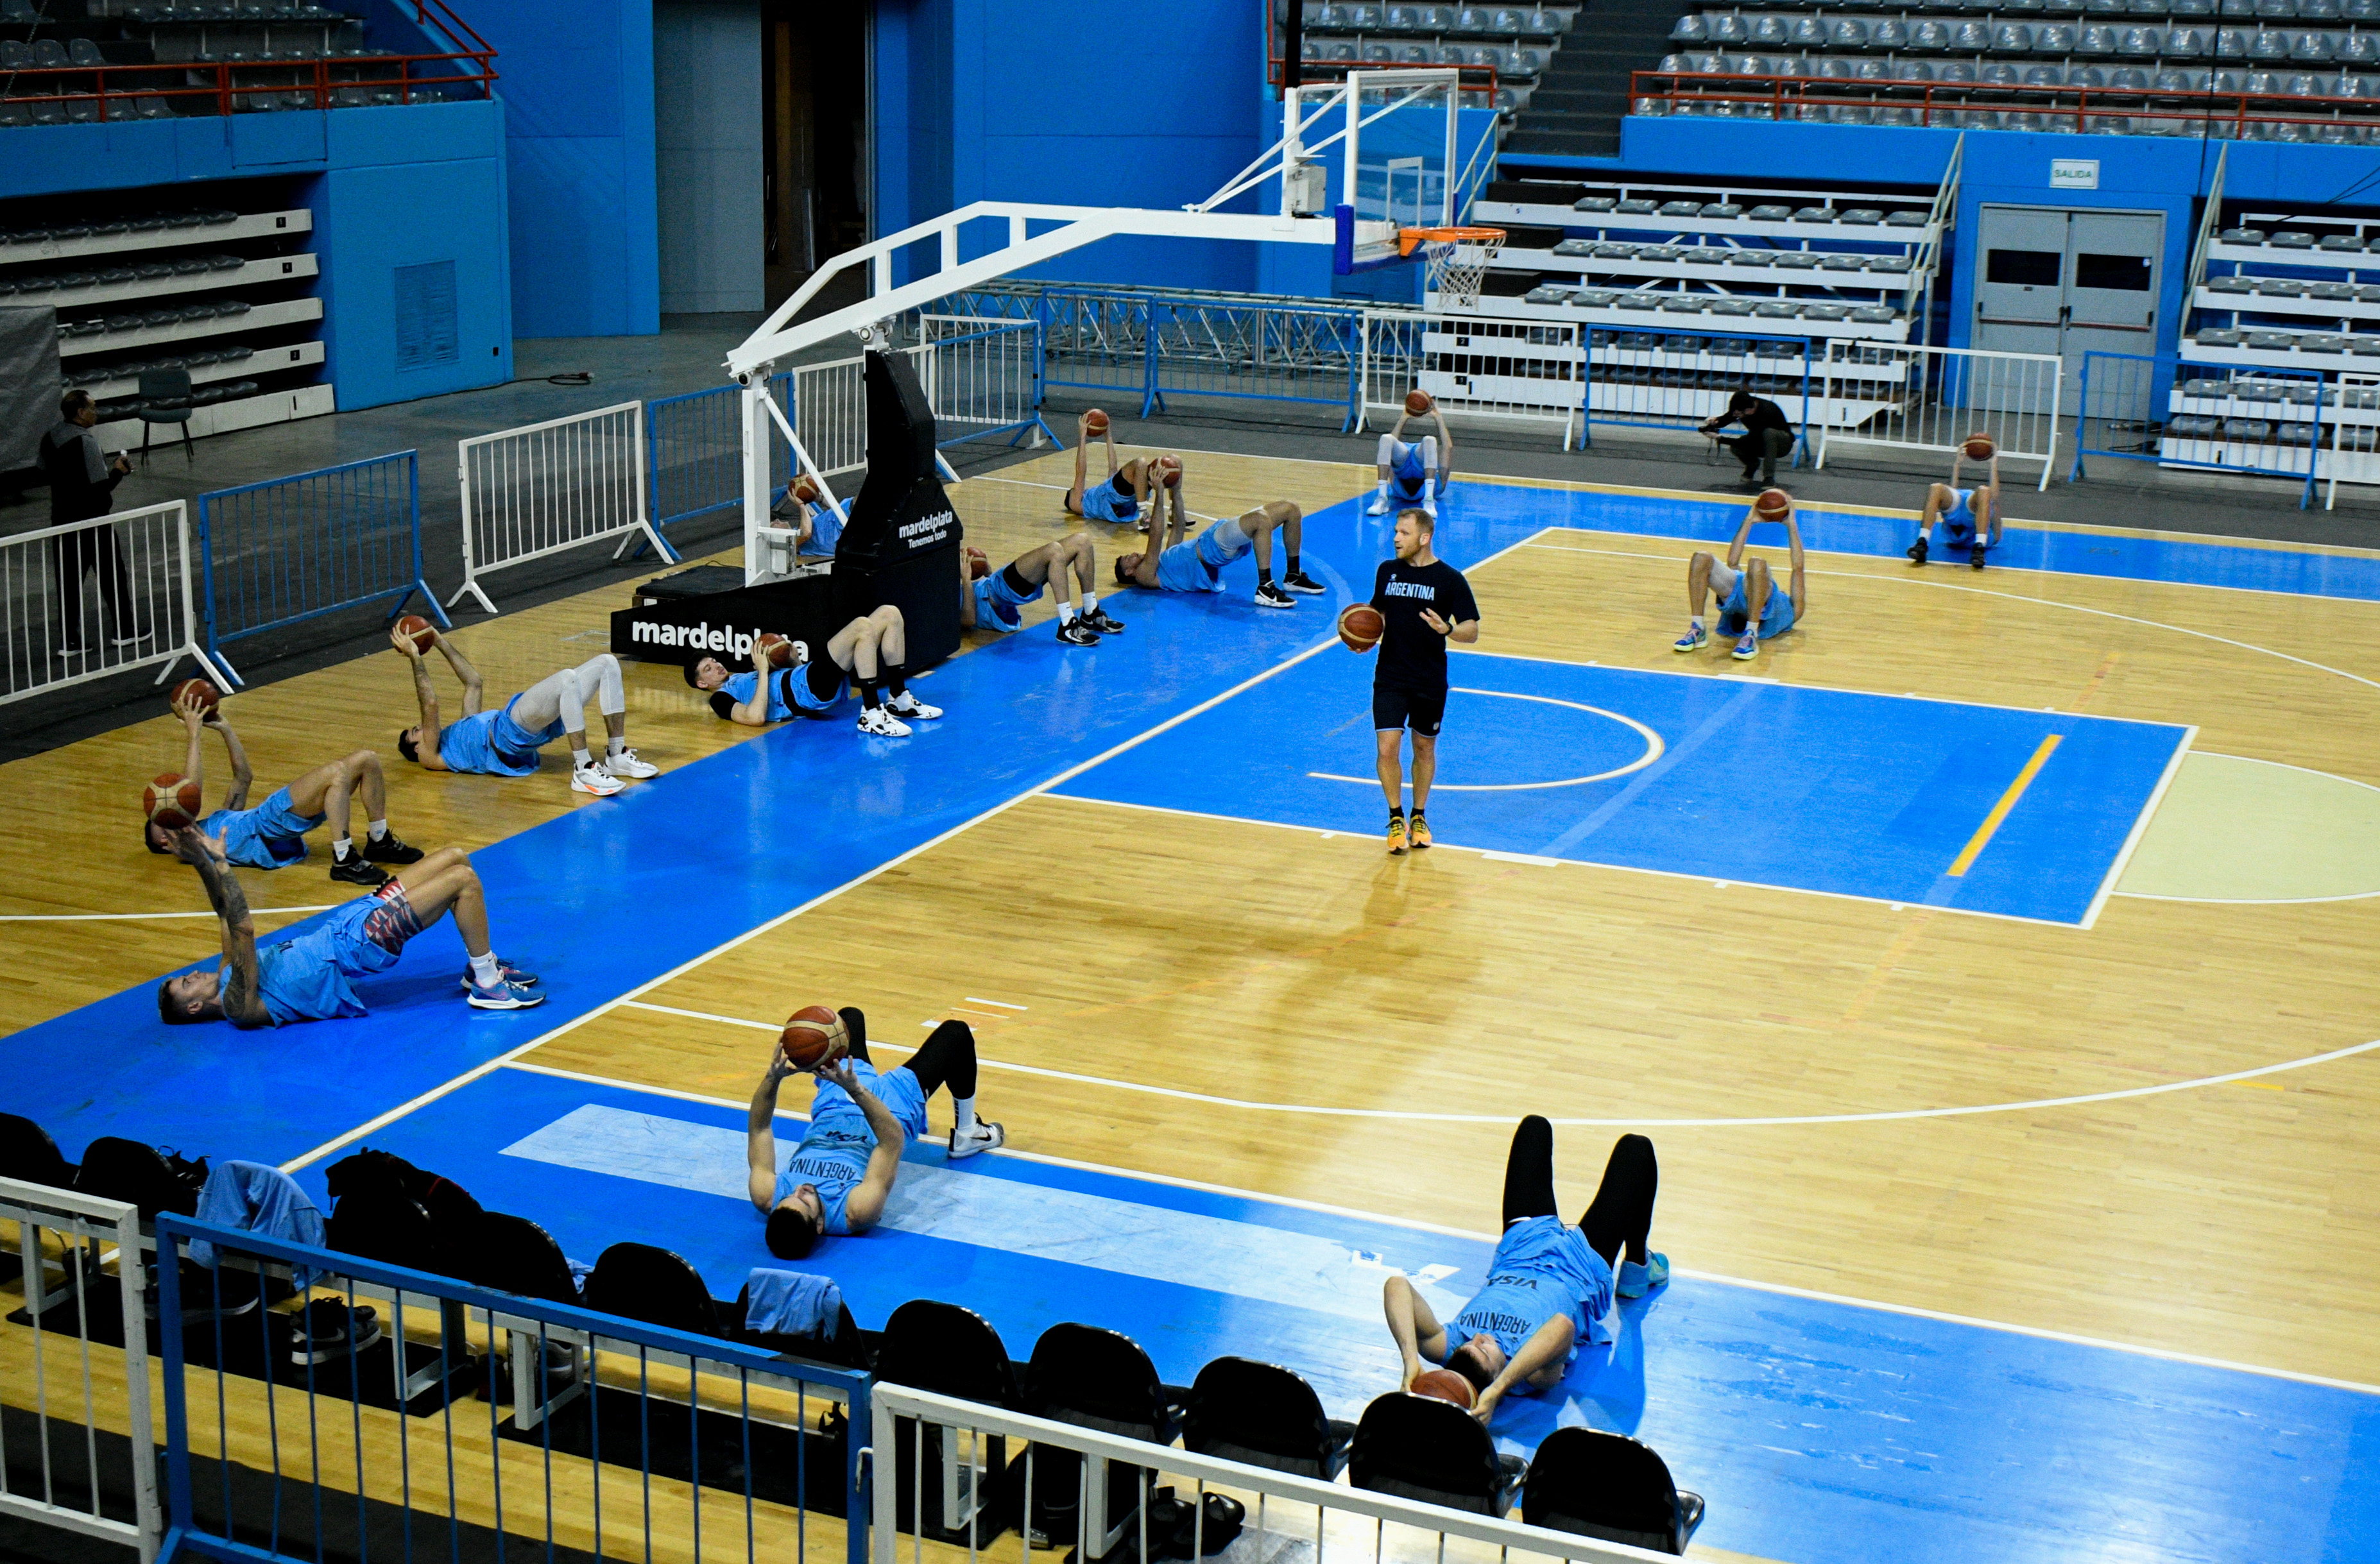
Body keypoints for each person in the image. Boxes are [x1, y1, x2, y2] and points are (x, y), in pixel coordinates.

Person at [1382, 1117, 1666, 1423]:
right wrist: (1500, 1388)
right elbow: (1563, 1325)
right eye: (1486, 1351)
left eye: (1471, 1344)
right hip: (1580, 1265)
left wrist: (1411, 1359)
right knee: (1636, 1150)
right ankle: (1638, 1265)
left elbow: (1396, 1286)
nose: (1480, 1337)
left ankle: (1638, 1264)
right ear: (1498, 1375)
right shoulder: (1533, 1375)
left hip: (1521, 1248)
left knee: (1534, 1128)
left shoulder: (1448, 1345)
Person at [154, 826, 543, 1024]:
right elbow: (243, 928)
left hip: (350, 921)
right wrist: (225, 865)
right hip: (359, 944)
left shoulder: (225, 972)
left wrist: (201, 858)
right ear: (193, 1007)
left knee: (455, 857)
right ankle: (488, 985)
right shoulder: (239, 1005)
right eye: (187, 983)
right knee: (463, 882)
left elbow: (224, 911)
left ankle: (478, 966)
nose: (195, 974)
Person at [744, 1012, 1006, 1258]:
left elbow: (760, 1128)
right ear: (821, 1224)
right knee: (956, 1034)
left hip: (834, 1105)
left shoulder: (767, 1195)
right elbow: (891, 1142)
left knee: (845, 1020)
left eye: (790, 1197)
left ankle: (853, 1069)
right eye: (807, 1200)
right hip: (889, 1110)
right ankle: (969, 1133)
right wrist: (857, 1091)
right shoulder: (856, 1210)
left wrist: (772, 1078)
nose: (800, 1189)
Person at [145, 685, 424, 886]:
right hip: (267, 822)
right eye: (164, 817)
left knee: (368, 760)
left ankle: (379, 841)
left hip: (270, 819)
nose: (169, 809)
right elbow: (190, 792)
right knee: (337, 772)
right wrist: (193, 734)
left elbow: (243, 778)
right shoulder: (189, 846)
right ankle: (344, 860)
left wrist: (225, 729)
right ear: (162, 840)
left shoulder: (219, 820)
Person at [390, 626, 658, 796]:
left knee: (607, 663)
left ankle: (616, 754)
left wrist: (438, 641)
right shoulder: (429, 755)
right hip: (507, 733)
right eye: (417, 732)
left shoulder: (463, 730)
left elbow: (473, 682)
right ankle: (583, 768)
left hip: (516, 730)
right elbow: (431, 705)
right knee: (566, 678)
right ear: (416, 748)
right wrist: (415, 657)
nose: (423, 728)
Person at [1366, 507, 1478, 856]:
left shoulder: (1450, 580)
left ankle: (1419, 815)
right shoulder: (1388, 571)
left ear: (1424, 538)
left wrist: (1447, 629)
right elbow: (1377, 617)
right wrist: (1363, 636)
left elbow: (1472, 630)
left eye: (1404, 533)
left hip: (1429, 678)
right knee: (1387, 748)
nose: (1396, 538)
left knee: (1424, 747)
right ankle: (1395, 816)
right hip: (1390, 675)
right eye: (1396, 531)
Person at [688, 604, 941, 737]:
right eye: (708, 669)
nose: (717, 665)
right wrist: (764, 671)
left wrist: (794, 661)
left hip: (806, 679)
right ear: (702, 684)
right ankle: (872, 714)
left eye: (713, 660)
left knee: (890, 613)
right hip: (805, 689)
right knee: (862, 626)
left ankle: (898, 699)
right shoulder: (720, 699)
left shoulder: (742, 677)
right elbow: (755, 718)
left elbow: (786, 682)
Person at [41, 389, 139, 659]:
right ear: (81, 412)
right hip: (93, 522)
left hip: (62, 520)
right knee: (112, 577)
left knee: (68, 583)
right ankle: (125, 631)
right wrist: (118, 472)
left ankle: (70, 641)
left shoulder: (50, 438)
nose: (97, 413)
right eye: (93, 408)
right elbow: (99, 489)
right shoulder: (86, 442)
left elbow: (44, 469)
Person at [1113, 480, 1320, 608]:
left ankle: (1293, 575)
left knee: (1291, 509)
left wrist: (1175, 490)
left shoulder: (1165, 562)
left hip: (1216, 544)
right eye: (1127, 559)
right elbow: (1156, 535)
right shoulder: (1145, 576)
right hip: (1212, 548)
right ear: (1130, 572)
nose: (1132, 553)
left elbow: (1177, 526)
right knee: (1260, 520)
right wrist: (1158, 492)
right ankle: (1265, 588)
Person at [1674, 491, 1807, 662]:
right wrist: (1749, 519)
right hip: (1741, 591)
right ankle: (1698, 628)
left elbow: (1798, 568)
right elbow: (1733, 562)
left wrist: (1792, 524)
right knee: (1701, 558)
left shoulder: (1793, 612)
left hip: (1752, 588)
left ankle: (1750, 634)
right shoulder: (1780, 605)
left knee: (1756, 563)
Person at [958, 536, 1124, 646]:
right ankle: (1067, 626)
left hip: (997, 585)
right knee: (1053, 551)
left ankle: (1090, 613)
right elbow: (968, 620)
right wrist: (966, 579)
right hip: (998, 592)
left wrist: (986, 570)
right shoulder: (939, 603)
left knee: (1083, 541)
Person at [1909, 449, 2001, 571]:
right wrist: (1992, 463)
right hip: (1974, 507)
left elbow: (1952, 492)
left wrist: (1957, 465)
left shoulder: (1951, 535)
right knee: (1984, 492)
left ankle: (1922, 542)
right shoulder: (1992, 537)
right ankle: (1979, 547)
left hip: (1968, 507)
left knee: (1938, 489)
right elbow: (1993, 499)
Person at [1064, 412, 1161, 527]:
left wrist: (1108, 434)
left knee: (1163, 466)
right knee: (1141, 463)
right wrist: (1082, 436)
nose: (1080, 490)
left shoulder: (1097, 501)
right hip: (1119, 501)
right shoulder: (1077, 504)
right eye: (1076, 491)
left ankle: (1172, 513)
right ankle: (1143, 513)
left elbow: (1113, 469)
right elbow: (1081, 472)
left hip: (1125, 504)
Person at [1369, 398, 1453, 518]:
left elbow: (1447, 448)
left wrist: (1438, 417)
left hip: (1414, 460)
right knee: (1386, 438)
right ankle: (1382, 498)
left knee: (1429, 440)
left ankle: (1428, 501)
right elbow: (1447, 447)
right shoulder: (1439, 486)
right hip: (1416, 456)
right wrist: (1404, 417)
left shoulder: (1398, 488)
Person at [1697, 388, 1795, 484]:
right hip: (1759, 439)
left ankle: (1769, 477)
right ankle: (1752, 465)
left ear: (1749, 411)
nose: (1736, 416)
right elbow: (1728, 418)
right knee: (1736, 447)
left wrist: (1720, 438)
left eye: (1738, 415)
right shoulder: (1744, 404)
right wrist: (1715, 421)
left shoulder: (1767, 412)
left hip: (1782, 444)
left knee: (1769, 433)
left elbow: (1749, 441)